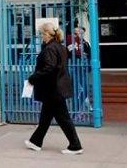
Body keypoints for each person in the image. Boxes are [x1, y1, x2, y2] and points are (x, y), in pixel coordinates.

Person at [24, 22, 84, 155]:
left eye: (42, 34)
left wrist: (33, 78)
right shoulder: (60, 47)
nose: (41, 37)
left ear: (47, 34)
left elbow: (49, 68)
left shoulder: (50, 49)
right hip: (56, 88)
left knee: (63, 119)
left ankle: (75, 145)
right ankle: (35, 141)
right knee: (45, 118)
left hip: (53, 89)